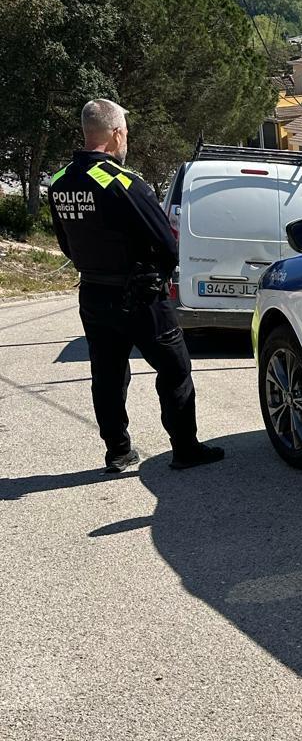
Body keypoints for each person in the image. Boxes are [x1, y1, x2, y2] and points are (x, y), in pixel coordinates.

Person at [47, 99, 224, 474]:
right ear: (114, 134)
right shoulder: (123, 182)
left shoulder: (60, 182)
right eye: (124, 132)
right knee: (174, 368)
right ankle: (185, 448)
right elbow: (167, 243)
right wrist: (156, 272)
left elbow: (65, 242)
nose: (126, 138)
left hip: (93, 293)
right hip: (139, 295)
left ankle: (118, 451)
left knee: (107, 375)